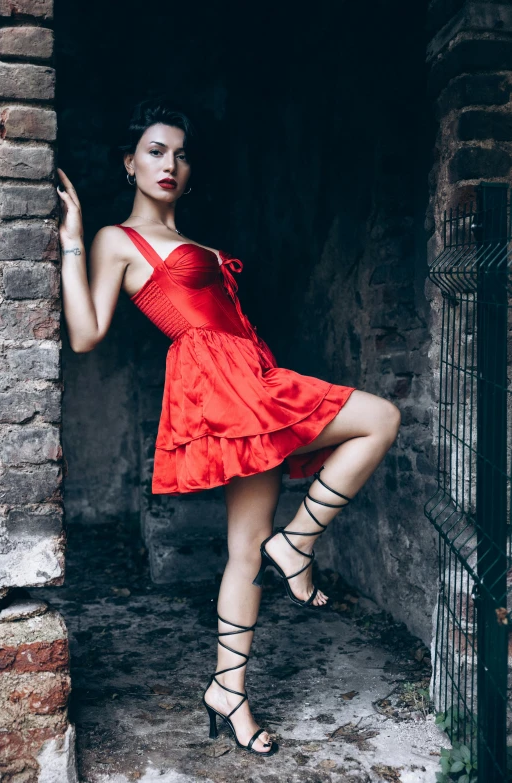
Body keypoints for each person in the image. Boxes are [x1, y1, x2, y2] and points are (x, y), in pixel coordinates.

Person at [57, 98, 401, 757]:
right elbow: (85, 333)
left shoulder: (198, 243)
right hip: (221, 387)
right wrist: (72, 236)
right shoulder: (116, 241)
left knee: (247, 548)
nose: (170, 163)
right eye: (155, 151)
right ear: (129, 164)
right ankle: (296, 546)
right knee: (378, 418)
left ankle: (228, 690)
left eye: (181, 154)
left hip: (253, 378)